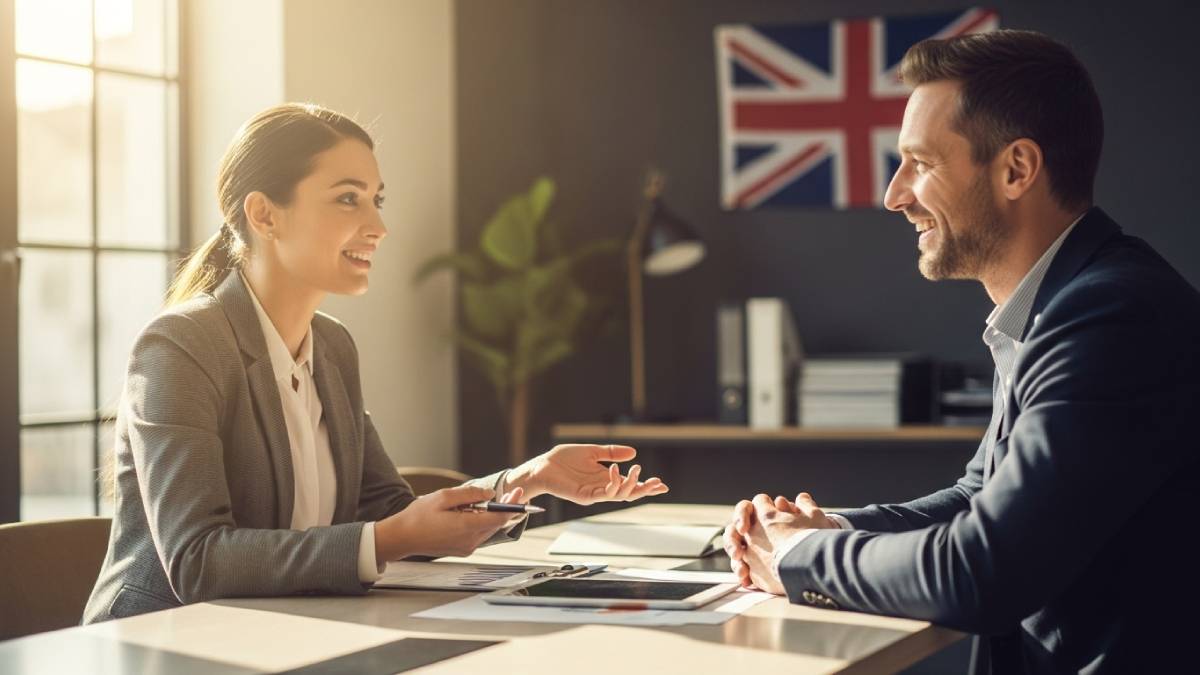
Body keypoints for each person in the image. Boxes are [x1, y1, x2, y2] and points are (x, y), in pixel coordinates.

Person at [724, 30, 1199, 674]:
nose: (895, 194)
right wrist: (828, 529)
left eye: (920, 163)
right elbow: (978, 498)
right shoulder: (1061, 302)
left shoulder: (1111, 315)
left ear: (1016, 169)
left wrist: (798, 556)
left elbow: (982, 571)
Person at [83, 103, 668, 623]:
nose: (379, 227)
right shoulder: (181, 347)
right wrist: (386, 539)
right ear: (264, 215)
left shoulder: (332, 347)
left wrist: (523, 481)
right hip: (166, 644)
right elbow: (197, 561)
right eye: (347, 199)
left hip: (286, 630)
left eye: (375, 199)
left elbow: (388, 512)